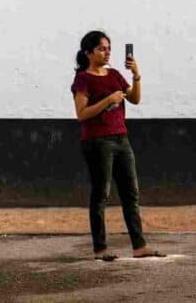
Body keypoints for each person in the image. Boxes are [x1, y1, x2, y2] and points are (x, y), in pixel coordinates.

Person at [70, 30, 165, 261]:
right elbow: (81, 114)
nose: (106, 52)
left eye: (108, 48)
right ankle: (100, 248)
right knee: (101, 195)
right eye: (101, 48)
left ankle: (139, 246)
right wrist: (108, 101)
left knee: (131, 194)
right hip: (97, 142)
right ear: (88, 52)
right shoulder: (83, 78)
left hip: (122, 139)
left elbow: (134, 99)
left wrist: (136, 75)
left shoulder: (114, 75)